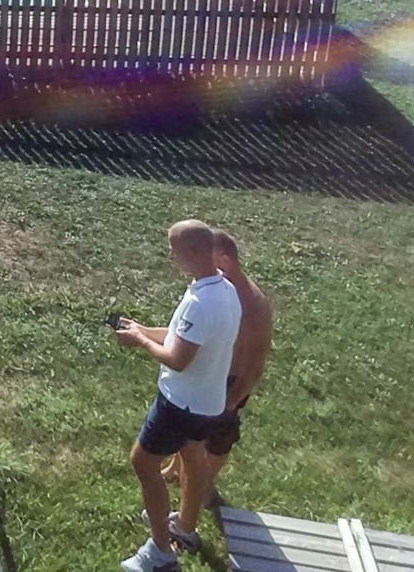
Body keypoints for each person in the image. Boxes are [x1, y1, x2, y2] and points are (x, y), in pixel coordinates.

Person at [115, 220, 241, 572]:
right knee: (193, 455)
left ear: (193, 252)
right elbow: (181, 337)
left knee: (142, 462)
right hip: (208, 402)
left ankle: (161, 553)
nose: (171, 257)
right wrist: (143, 328)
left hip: (179, 403)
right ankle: (185, 528)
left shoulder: (201, 302)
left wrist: (140, 342)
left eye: (175, 251)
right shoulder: (224, 290)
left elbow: (178, 359)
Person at [167, 230, 273, 548]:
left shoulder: (253, 307)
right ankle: (175, 468)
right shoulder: (214, 288)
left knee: (214, 443)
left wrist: (230, 402)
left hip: (228, 385)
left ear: (224, 260)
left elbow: (254, 368)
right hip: (205, 375)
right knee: (186, 430)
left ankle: (202, 490)